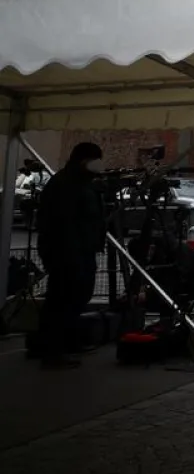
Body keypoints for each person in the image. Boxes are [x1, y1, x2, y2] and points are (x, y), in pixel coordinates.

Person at [35, 142, 108, 369]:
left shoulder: (83, 183)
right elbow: (62, 224)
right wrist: (71, 254)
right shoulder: (65, 184)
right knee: (62, 300)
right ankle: (53, 351)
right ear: (84, 160)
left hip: (81, 250)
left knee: (76, 298)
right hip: (66, 253)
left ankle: (64, 344)